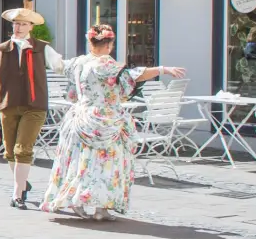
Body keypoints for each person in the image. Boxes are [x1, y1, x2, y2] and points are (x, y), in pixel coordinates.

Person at [40, 25, 183, 221]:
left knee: (80, 161)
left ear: (90, 43)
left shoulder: (79, 63)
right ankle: (101, 208)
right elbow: (135, 75)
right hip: (107, 118)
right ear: (109, 45)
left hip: (80, 117)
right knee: (107, 165)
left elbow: (59, 67)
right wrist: (162, 69)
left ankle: (77, 199)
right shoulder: (106, 65)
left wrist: (42, 47)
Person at [0, 7, 67, 209]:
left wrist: (81, 71)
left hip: (35, 105)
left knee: (22, 148)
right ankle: (23, 183)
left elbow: (61, 65)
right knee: (9, 151)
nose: (18, 27)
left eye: (23, 24)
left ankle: (17, 194)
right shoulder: (3, 49)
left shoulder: (42, 48)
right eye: (16, 24)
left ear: (31, 27)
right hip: (8, 104)